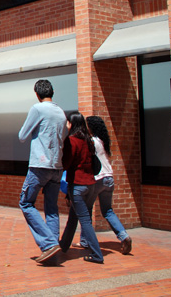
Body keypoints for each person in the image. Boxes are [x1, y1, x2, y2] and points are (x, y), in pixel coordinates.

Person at [18, 79, 68, 264]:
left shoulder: (38, 109)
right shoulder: (61, 112)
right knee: (52, 208)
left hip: (39, 165)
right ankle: (53, 244)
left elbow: (22, 136)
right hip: (57, 166)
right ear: (52, 92)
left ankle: (48, 244)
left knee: (26, 203)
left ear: (37, 94)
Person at [80, 115, 132, 255]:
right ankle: (123, 236)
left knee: (86, 209)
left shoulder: (91, 142)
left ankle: (85, 241)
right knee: (108, 211)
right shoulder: (104, 141)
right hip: (109, 178)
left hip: (98, 178)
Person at [59, 112, 103, 263]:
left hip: (77, 185)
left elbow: (67, 163)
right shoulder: (88, 140)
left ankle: (97, 254)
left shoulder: (71, 140)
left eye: (68, 122)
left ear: (72, 124)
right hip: (91, 185)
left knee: (84, 221)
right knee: (73, 218)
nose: (66, 125)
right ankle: (63, 246)